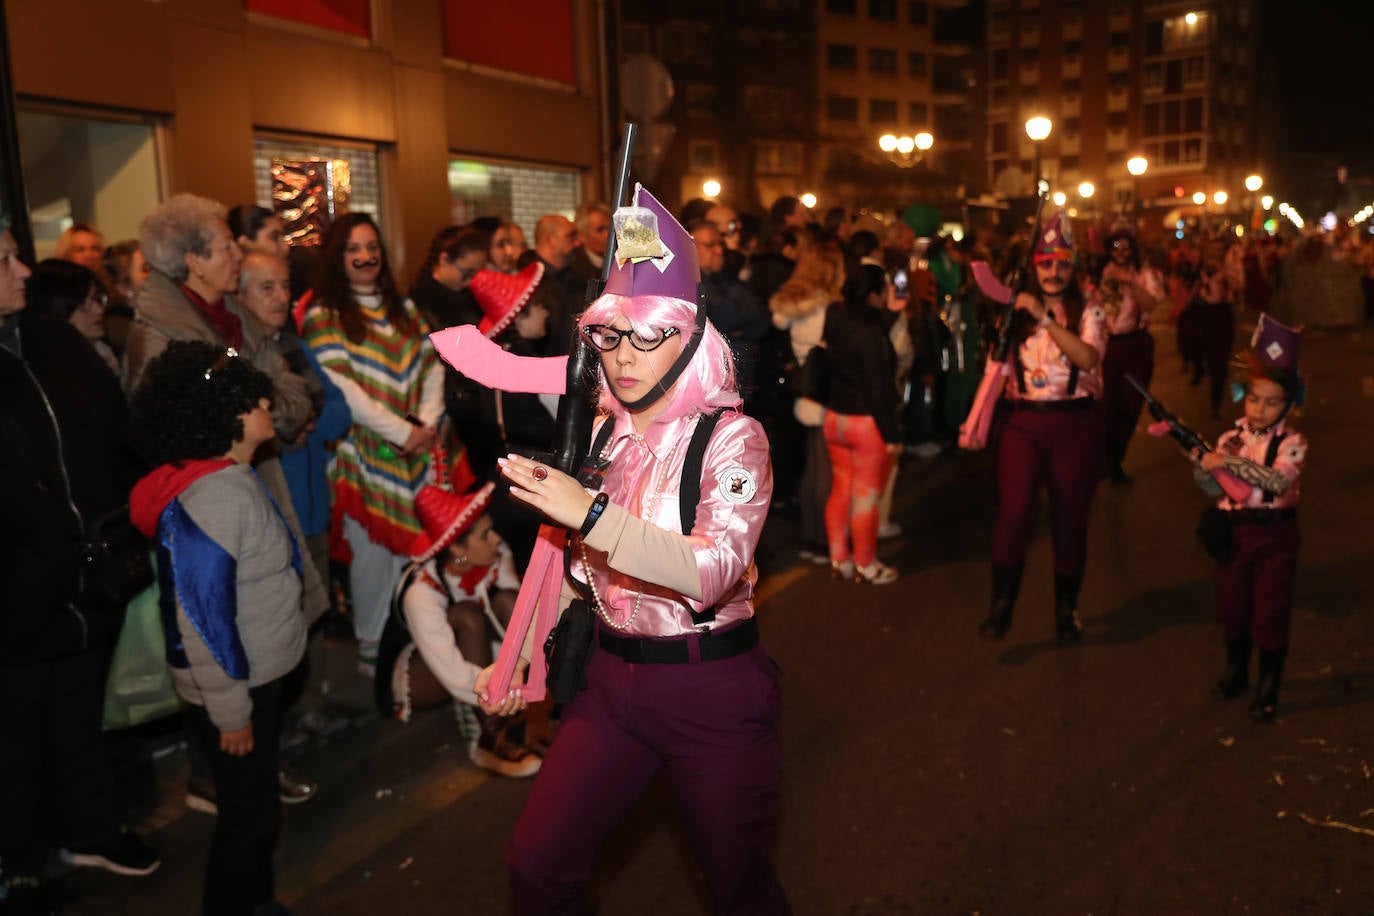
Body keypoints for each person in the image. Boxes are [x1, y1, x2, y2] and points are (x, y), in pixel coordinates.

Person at [466, 184, 788, 914]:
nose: (624, 357)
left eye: (649, 336)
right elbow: (580, 573)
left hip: (711, 689)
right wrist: (526, 645)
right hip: (611, 683)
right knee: (539, 867)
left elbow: (713, 572)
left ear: (692, 338)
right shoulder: (608, 433)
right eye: (610, 336)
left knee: (739, 890)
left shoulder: (733, 437)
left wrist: (593, 513)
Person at [1, 216, 160, 915]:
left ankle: (88, 829)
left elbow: (107, 432)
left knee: (75, 713)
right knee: (14, 734)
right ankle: (20, 861)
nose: (24, 271)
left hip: (82, 575)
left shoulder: (44, 338)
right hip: (14, 590)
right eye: (5, 259)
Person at [128, 341, 305, 916]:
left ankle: (257, 901)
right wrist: (230, 712)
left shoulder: (228, 477)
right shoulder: (219, 494)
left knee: (254, 813)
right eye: (257, 400)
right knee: (247, 820)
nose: (266, 409)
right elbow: (201, 616)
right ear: (226, 414)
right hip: (237, 691)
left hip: (253, 680)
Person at [302, 213, 444, 674]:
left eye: (370, 246)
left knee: (413, 554)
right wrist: (403, 433)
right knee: (371, 556)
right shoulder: (324, 316)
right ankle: (371, 657)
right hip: (360, 453)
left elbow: (431, 365)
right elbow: (342, 389)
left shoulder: (405, 309)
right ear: (337, 258)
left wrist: (423, 425)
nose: (364, 256)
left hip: (415, 454)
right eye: (352, 249)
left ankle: (405, 651)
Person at [978, 212, 1108, 644]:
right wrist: (975, 419)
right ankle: (1002, 604)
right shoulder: (1013, 310)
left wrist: (1047, 318)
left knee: (1070, 519)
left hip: (1074, 423)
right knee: (1015, 514)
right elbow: (994, 369)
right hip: (1022, 423)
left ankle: (1065, 608)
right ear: (1033, 265)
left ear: (1073, 268)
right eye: (1046, 262)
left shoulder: (1088, 310)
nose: (1054, 271)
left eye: (1063, 263)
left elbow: (1089, 359)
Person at [373, 482, 541, 777]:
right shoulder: (422, 592)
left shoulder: (494, 556)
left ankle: (527, 711)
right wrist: (506, 693)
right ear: (456, 548)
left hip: (475, 653)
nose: (496, 538)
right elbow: (450, 671)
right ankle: (490, 738)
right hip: (420, 672)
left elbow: (515, 620)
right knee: (468, 617)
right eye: (485, 534)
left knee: (509, 600)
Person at [1194, 315, 1307, 723]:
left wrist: (1225, 463)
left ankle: (1269, 684)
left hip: (1275, 536)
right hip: (1236, 533)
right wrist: (1202, 465)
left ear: (1288, 404)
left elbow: (1276, 480)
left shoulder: (1292, 444)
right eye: (1254, 398)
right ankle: (1237, 670)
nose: (1260, 409)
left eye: (1272, 401)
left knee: (1270, 611)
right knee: (1233, 606)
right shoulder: (1231, 438)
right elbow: (1213, 489)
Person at [820, 264, 902, 584]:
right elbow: (878, 388)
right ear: (874, 294)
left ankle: (839, 559)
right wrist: (892, 434)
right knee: (865, 496)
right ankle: (866, 564)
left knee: (841, 488)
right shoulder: (871, 334)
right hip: (866, 424)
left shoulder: (836, 317)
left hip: (835, 419)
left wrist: (890, 315)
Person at [770, 245, 846, 561]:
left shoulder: (791, 308)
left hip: (803, 393)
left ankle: (810, 538)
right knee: (826, 471)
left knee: (811, 469)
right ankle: (824, 540)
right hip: (826, 392)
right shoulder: (829, 308)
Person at [1096, 228, 1163, 483]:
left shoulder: (1143, 274)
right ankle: (1106, 458)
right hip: (1105, 346)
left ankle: (1116, 456)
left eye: (1126, 247)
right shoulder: (1101, 272)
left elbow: (1152, 304)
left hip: (1135, 346)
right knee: (1105, 405)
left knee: (1131, 404)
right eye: (1115, 247)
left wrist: (1129, 281)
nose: (1120, 253)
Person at [27, 258, 118, 375]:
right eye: (82, 303)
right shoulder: (54, 372)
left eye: (97, 298)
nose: (99, 310)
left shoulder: (105, 355)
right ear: (56, 309)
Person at [409, 225, 488, 331]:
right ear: (444, 260)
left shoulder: (473, 297)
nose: (471, 281)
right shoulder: (420, 301)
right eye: (467, 273)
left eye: (477, 274)